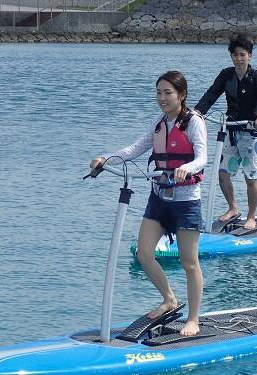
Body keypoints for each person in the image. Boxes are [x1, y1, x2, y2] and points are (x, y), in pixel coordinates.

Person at [90, 71, 207, 336]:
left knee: (189, 262)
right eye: (159, 93)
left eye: (168, 93)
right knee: (144, 253)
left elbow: (202, 158)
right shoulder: (158, 122)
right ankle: (169, 299)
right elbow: (134, 149)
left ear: (182, 95)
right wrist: (105, 159)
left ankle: (193, 320)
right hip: (159, 198)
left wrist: (186, 168)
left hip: (186, 201)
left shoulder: (193, 122)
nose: (163, 98)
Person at [195, 33, 257, 230]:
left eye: (243, 55)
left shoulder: (256, 76)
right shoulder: (226, 75)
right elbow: (211, 95)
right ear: (231, 56)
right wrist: (197, 113)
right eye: (235, 55)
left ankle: (251, 216)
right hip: (230, 131)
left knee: (250, 177)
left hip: (251, 133)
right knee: (222, 174)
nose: (239, 59)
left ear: (249, 56)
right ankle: (233, 208)